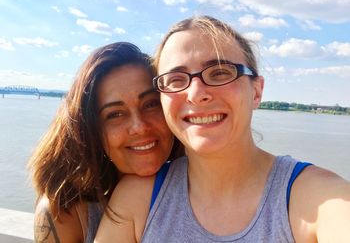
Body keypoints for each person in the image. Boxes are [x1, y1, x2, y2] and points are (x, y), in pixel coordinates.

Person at [94, 16, 350, 242]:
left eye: (219, 73)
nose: (196, 94)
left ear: (256, 91)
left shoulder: (315, 198)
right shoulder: (139, 199)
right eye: (175, 80)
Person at [28, 42, 183, 243]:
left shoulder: (200, 185)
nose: (139, 127)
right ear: (90, 131)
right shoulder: (65, 212)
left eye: (151, 104)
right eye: (115, 114)